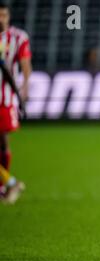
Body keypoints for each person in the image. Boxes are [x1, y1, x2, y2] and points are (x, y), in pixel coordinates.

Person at [0, 2, 30, 204]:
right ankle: (9, 184)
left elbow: (22, 65)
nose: (1, 19)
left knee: (3, 141)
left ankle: (7, 184)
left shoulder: (17, 37)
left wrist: (23, 88)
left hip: (5, 97)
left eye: (3, 15)